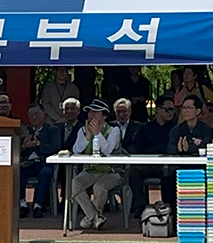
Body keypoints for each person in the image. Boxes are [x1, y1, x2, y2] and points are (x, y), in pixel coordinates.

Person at [71, 99, 122, 230]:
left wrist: (98, 134)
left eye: (95, 112)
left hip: (110, 171)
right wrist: (87, 137)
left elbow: (108, 150)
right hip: (90, 170)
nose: (91, 115)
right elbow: (76, 150)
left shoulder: (114, 130)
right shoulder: (82, 130)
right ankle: (95, 217)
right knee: (75, 183)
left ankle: (90, 217)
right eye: (90, 112)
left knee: (99, 186)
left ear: (104, 115)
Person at [126, 94, 177, 217]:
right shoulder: (145, 128)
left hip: (167, 165)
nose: (171, 113)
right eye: (168, 109)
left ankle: (168, 208)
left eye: (173, 110)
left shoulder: (176, 129)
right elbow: (135, 146)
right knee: (133, 171)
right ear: (158, 109)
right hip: (149, 164)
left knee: (170, 175)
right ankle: (141, 206)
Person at [20, 104, 60, 218]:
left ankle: (38, 205)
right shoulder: (24, 131)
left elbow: (55, 147)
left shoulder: (52, 130)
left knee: (45, 173)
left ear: (44, 114)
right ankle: (22, 204)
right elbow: (17, 150)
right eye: (31, 115)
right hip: (28, 163)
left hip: (44, 162)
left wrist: (39, 144)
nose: (34, 117)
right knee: (18, 172)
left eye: (37, 114)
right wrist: (24, 146)